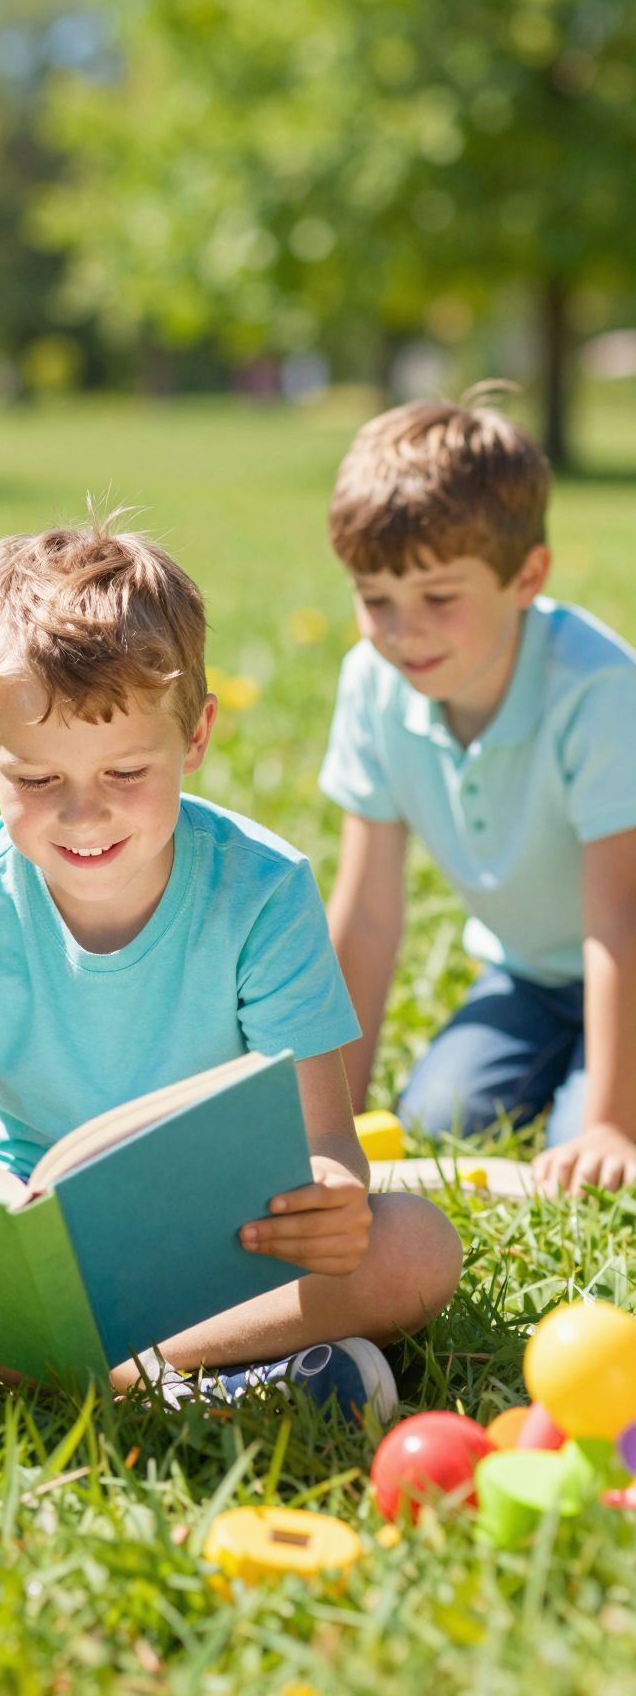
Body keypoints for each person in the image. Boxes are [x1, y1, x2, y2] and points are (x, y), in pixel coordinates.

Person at [0, 516, 460, 1415]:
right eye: (39, 780)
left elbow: (327, 1141)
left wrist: (332, 1199)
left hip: (217, 1247)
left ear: (195, 738)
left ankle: (68, 1371)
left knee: (416, 1246)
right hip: (14, 1244)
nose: (85, 817)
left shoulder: (262, 890)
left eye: (126, 772)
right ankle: (214, 1385)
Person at [320, 397, 636, 1194]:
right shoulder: (372, 685)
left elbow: (619, 921)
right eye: (375, 597)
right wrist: (328, 1128)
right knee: (437, 1126)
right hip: (528, 976)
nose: (402, 631)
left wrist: (612, 1123)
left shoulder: (597, 691)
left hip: (623, 954)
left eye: (438, 596)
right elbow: (366, 916)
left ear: (527, 577)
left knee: (584, 1155)